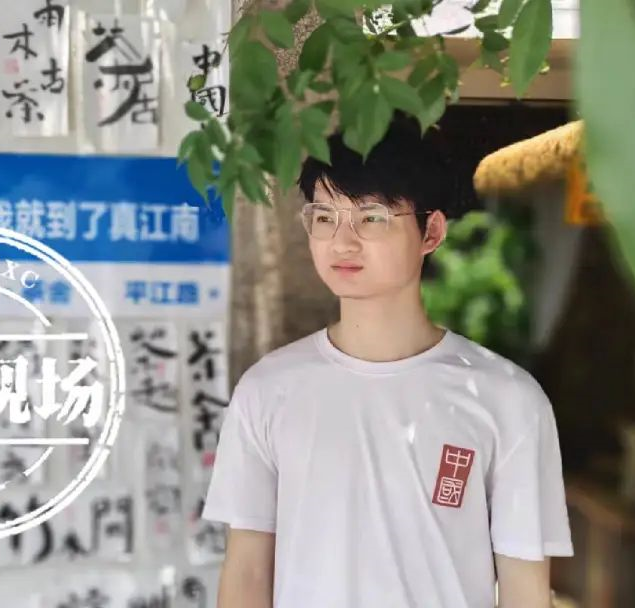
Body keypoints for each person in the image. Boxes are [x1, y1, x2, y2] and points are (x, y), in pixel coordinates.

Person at [202, 114, 573, 608]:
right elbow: (247, 573)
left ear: (431, 231)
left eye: (372, 217)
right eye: (325, 217)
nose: (342, 241)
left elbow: (525, 590)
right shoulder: (267, 390)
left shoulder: (507, 399)